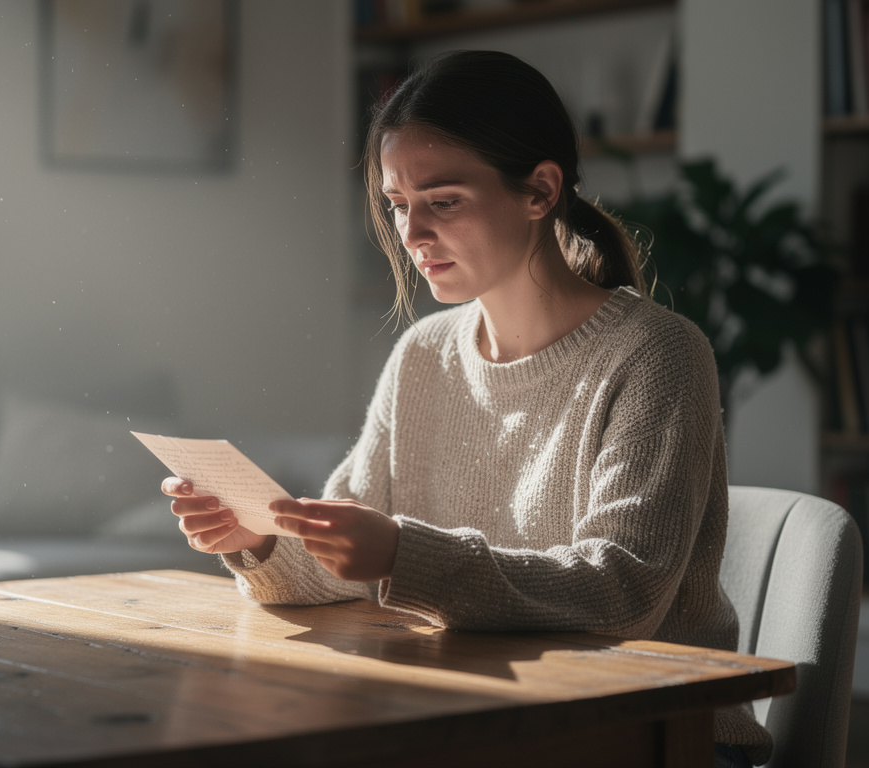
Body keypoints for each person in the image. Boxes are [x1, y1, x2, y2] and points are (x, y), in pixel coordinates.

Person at [161, 50, 769, 767]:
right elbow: (342, 568)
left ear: (540, 190)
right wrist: (259, 539)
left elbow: (621, 595)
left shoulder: (658, 355)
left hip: (659, 737)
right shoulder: (424, 354)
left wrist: (400, 553)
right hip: (486, 718)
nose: (412, 236)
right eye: (397, 205)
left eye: (442, 201)